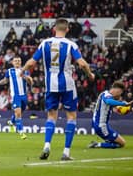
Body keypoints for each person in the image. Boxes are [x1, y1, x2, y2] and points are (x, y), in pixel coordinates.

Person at [21, 18, 95, 160]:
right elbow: (82, 63)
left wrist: (22, 71)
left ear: (54, 28)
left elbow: (31, 62)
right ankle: (66, 152)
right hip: (67, 84)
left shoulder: (44, 43)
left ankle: (47, 146)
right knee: (71, 116)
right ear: (67, 29)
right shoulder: (70, 44)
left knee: (51, 116)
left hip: (50, 85)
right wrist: (90, 74)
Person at [0, 57, 33, 139]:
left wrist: (25, 76)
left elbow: (30, 82)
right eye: (15, 61)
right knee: (18, 112)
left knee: (20, 112)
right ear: (12, 62)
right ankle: (21, 132)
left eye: (19, 61)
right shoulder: (9, 71)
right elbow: (5, 81)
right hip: (15, 96)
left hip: (24, 96)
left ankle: (12, 121)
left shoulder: (25, 71)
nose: (17, 62)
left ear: (21, 62)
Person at [88, 81, 133, 149]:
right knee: (122, 143)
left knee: (118, 142)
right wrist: (123, 104)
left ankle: (101, 143)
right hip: (101, 126)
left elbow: (115, 108)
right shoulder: (107, 95)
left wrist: (128, 108)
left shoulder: (105, 94)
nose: (119, 95)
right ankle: (98, 145)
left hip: (98, 124)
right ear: (116, 89)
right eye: (120, 92)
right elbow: (108, 101)